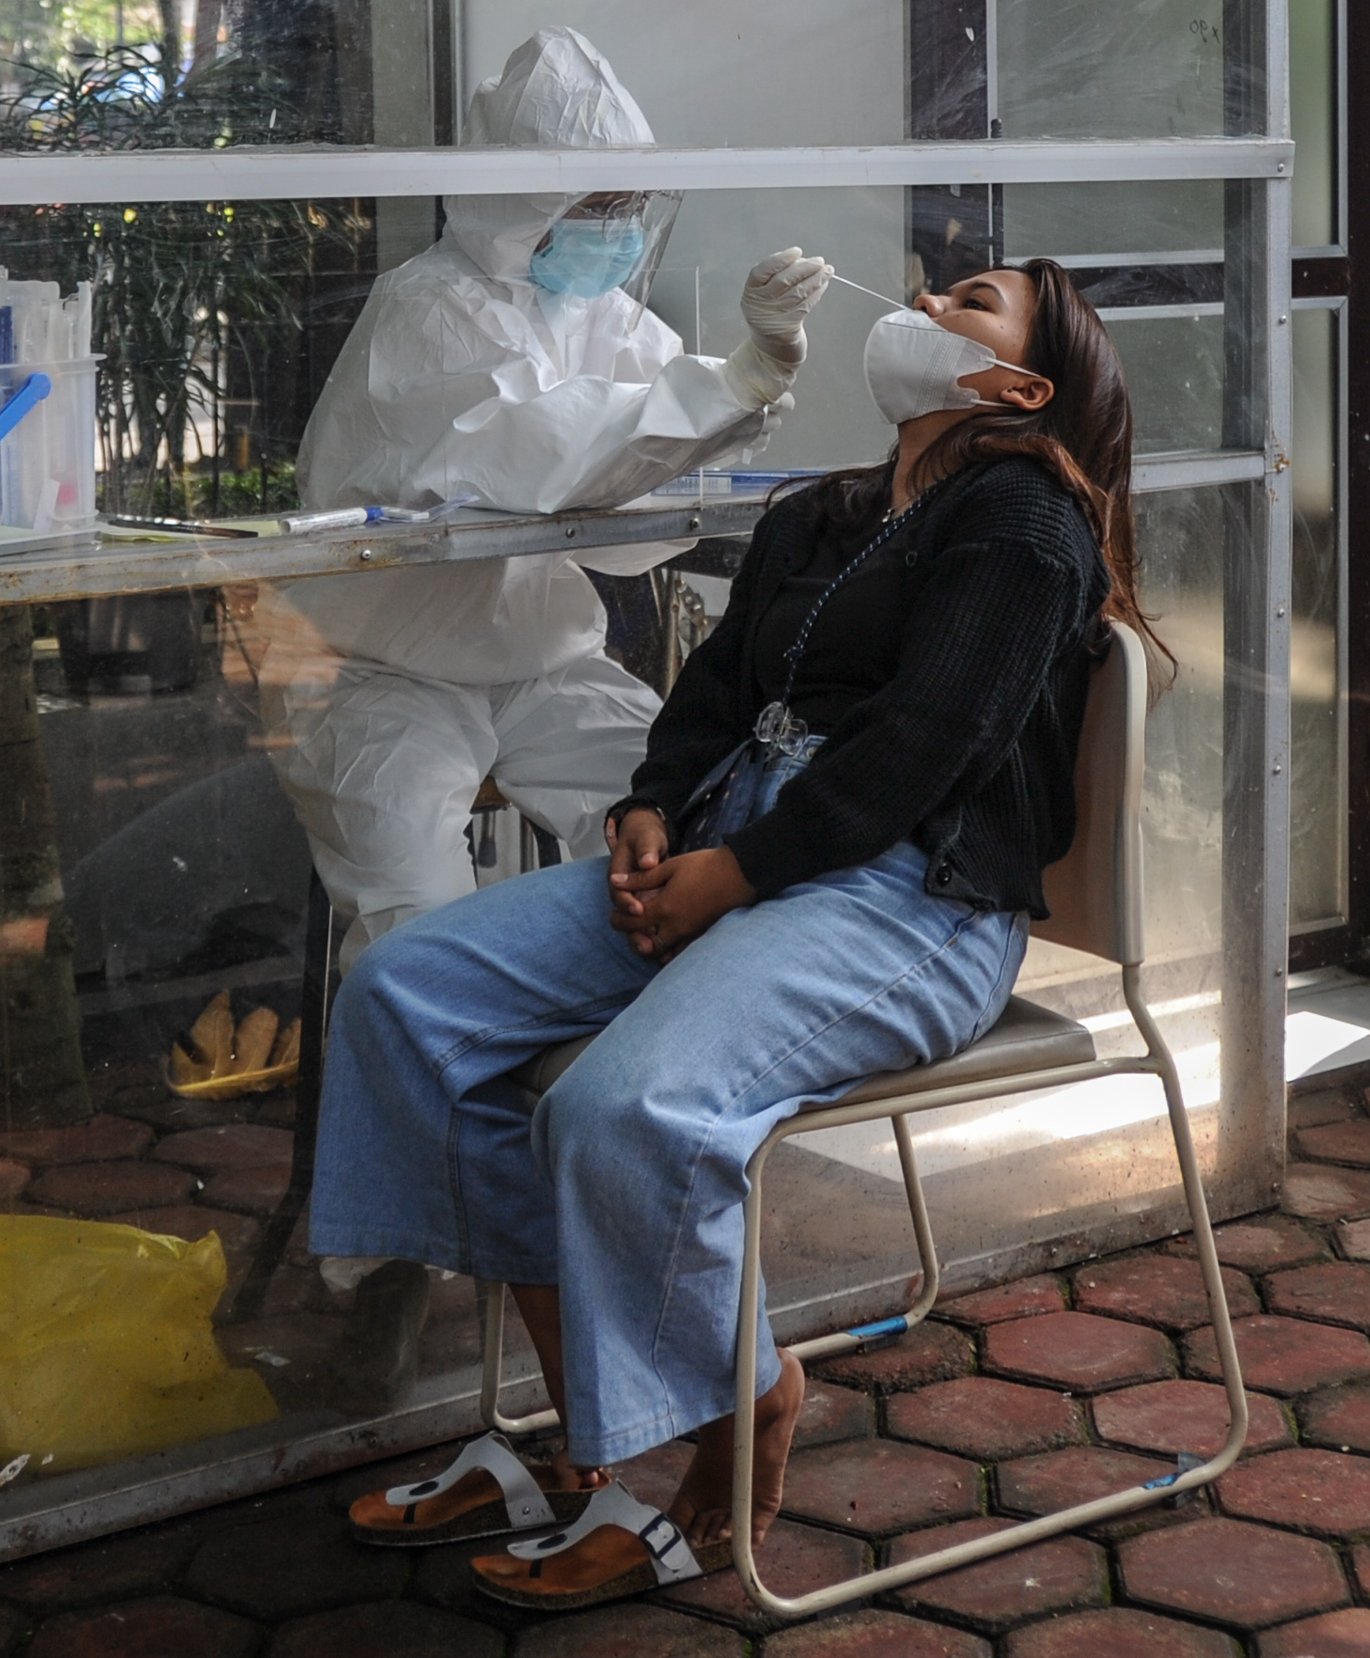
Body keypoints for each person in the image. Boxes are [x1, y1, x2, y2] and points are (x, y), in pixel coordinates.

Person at [308, 257, 1155, 1612]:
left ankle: (740, 1403)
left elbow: (929, 741)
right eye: (935, 288)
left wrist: (739, 873)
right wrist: (652, 808)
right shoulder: (824, 511)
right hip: (737, 853)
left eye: (971, 302)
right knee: (405, 996)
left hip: (909, 902)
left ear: (1020, 387)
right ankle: (597, 1433)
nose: (926, 303)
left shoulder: (1025, 519)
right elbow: (710, 691)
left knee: (619, 1108)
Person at [276, 26, 832, 950]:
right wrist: (730, 387)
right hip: (380, 676)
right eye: (597, 202)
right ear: (523, 198)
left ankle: (629, 1038)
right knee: (420, 926)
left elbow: (642, 491)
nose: (617, 226)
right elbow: (541, 452)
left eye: (630, 203)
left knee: (693, 830)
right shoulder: (428, 310)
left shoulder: (601, 315)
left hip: (543, 666)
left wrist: (747, 395)